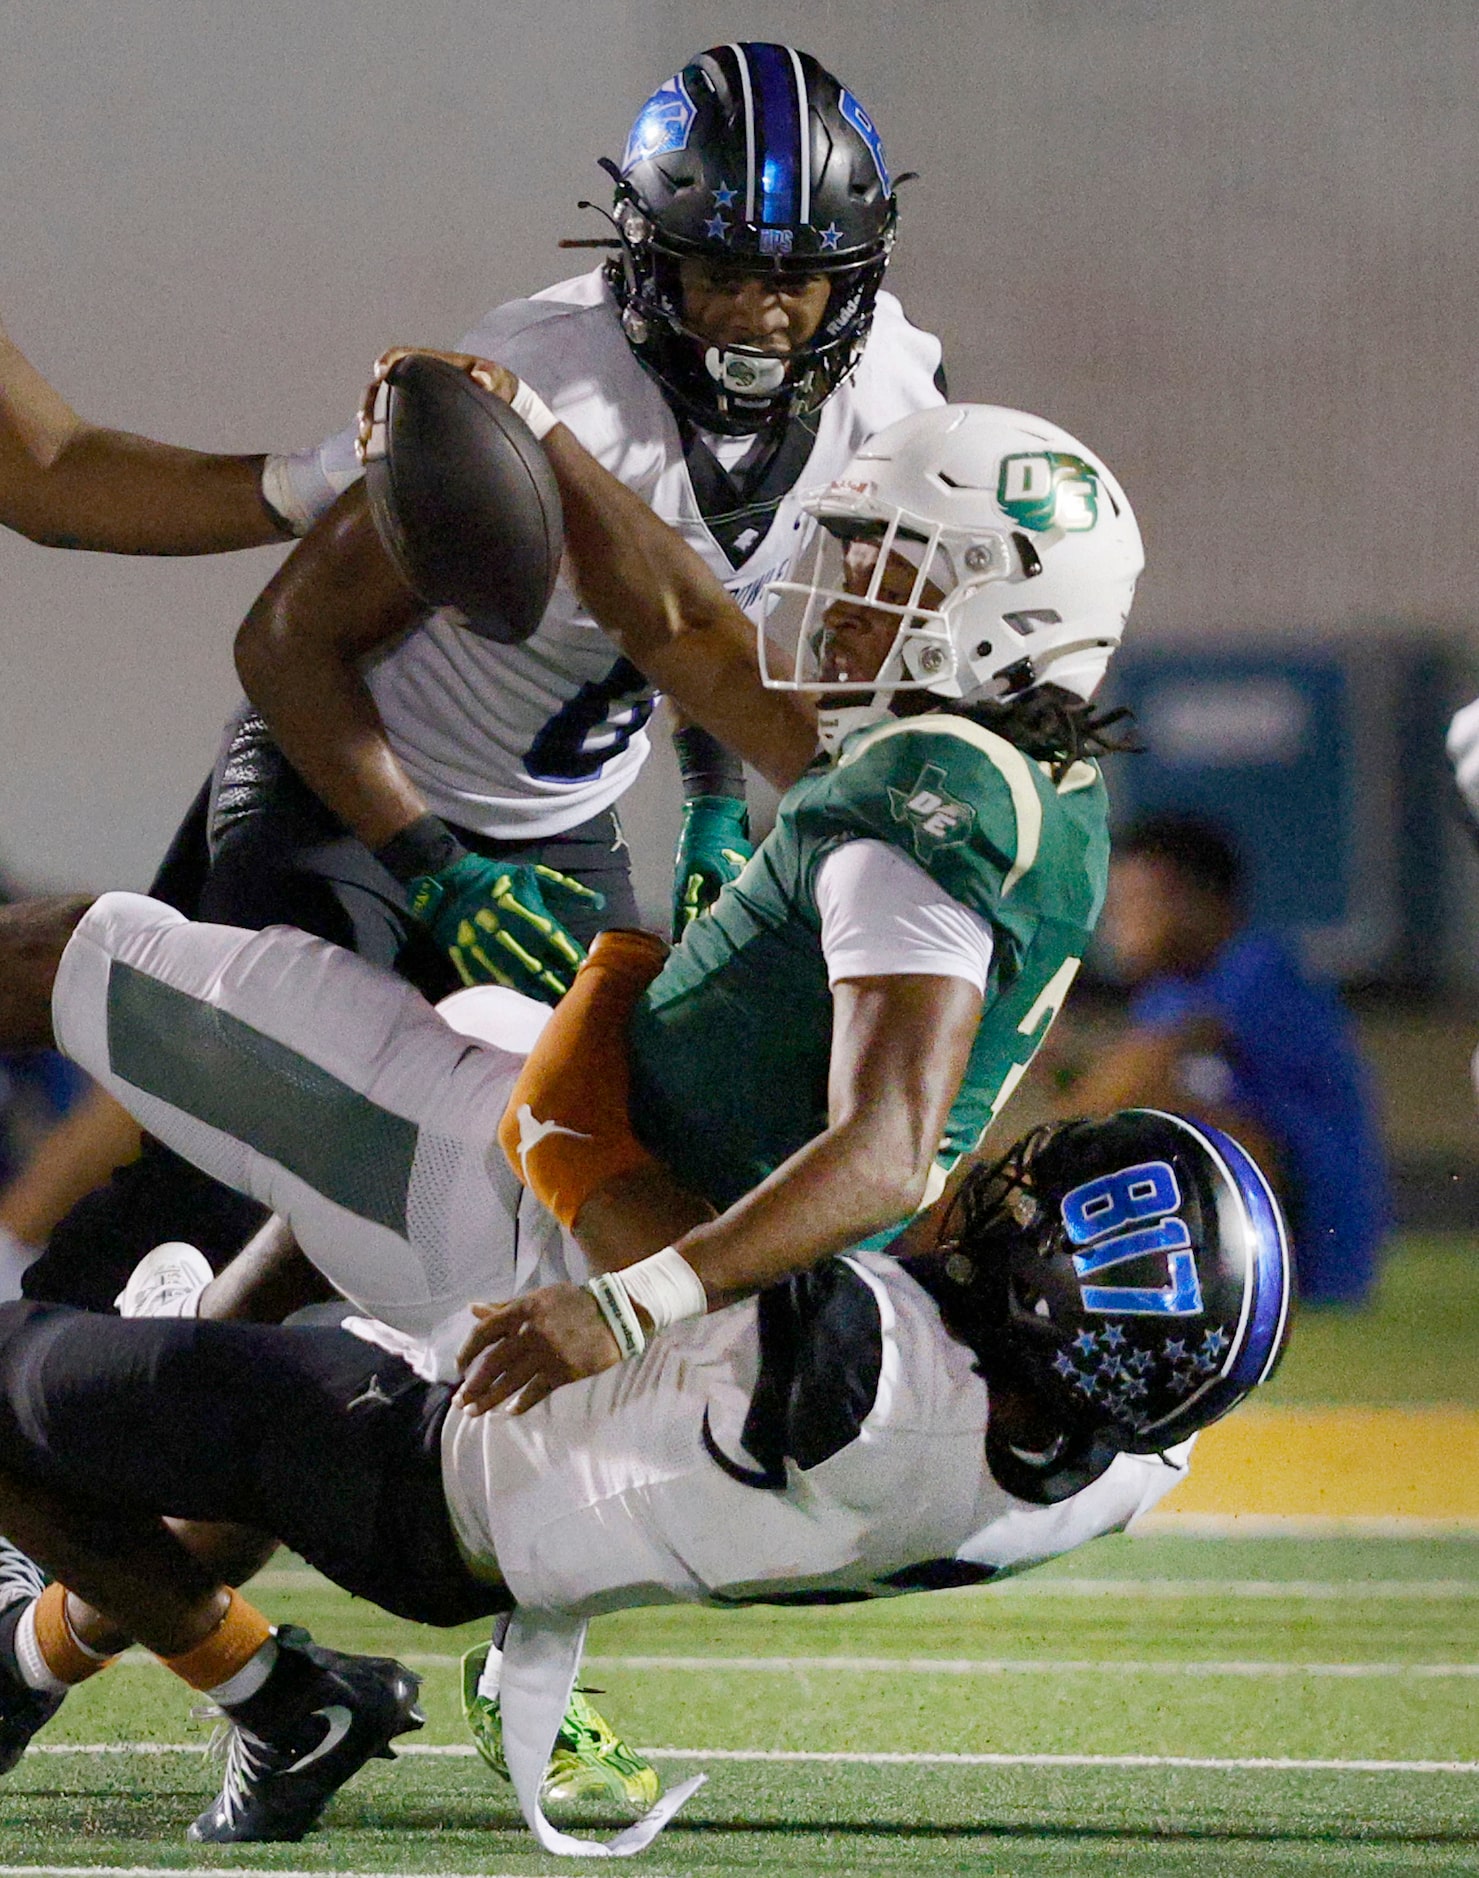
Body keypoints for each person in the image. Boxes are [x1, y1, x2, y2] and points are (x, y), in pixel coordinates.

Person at [0, 881, 1293, 1848]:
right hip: (580, 1483)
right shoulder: (1123, 1452)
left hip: (420, 1457)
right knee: (456, 1057)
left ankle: (272, 1687)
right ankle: (58, 1627)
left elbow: (566, 1135)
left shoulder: (855, 1373)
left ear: (1016, 1302)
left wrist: (617, 949)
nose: (987, 1192)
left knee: (46, 1380)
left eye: (1016, 1214)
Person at [1060, 813, 1389, 1306]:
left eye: (1137, 903)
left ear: (1201, 903)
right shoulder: (1169, 992)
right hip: (1257, 1233)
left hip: (1321, 1238)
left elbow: (1130, 1083)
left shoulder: (1258, 970)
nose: (1117, 924)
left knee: (1153, 1119)